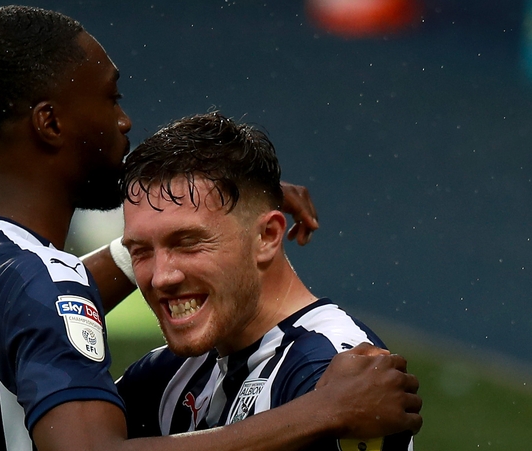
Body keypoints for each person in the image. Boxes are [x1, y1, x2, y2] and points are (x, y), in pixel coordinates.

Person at [0, 6, 421, 451]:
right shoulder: (76, 309)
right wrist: (322, 413)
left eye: (185, 241)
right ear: (50, 122)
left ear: (268, 234)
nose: (125, 121)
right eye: (112, 98)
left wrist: (227, 213)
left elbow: (19, 324)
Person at [115, 112, 418, 450]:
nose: (161, 277)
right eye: (140, 251)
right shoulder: (171, 375)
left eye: (188, 243)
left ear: (267, 236)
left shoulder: (332, 372)